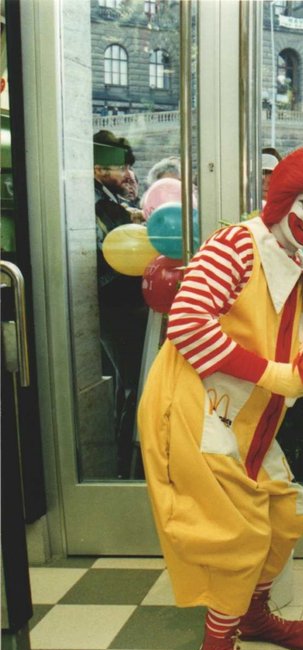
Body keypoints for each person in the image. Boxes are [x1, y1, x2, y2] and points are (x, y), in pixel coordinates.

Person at [136, 147, 303, 650]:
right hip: (201, 413)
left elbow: (292, 350)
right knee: (238, 533)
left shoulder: (293, 259)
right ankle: (218, 645)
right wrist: (270, 374)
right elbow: (188, 325)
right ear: (281, 197)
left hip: (249, 416)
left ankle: (253, 618)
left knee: (282, 514)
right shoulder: (236, 245)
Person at [93, 130, 148, 478]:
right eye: (122, 167)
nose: (127, 175)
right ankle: (124, 462)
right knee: (131, 382)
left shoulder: (107, 199)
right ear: (99, 167)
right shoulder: (98, 203)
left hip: (118, 303)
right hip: (117, 305)